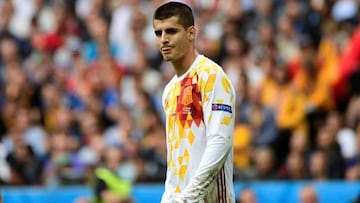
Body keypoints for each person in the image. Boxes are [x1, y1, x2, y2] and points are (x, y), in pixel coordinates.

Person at [153, 2, 236, 203]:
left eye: (171, 31)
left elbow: (220, 141)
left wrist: (189, 197)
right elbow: (175, 158)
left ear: (191, 33)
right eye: (158, 33)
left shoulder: (211, 75)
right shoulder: (170, 89)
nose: (163, 39)